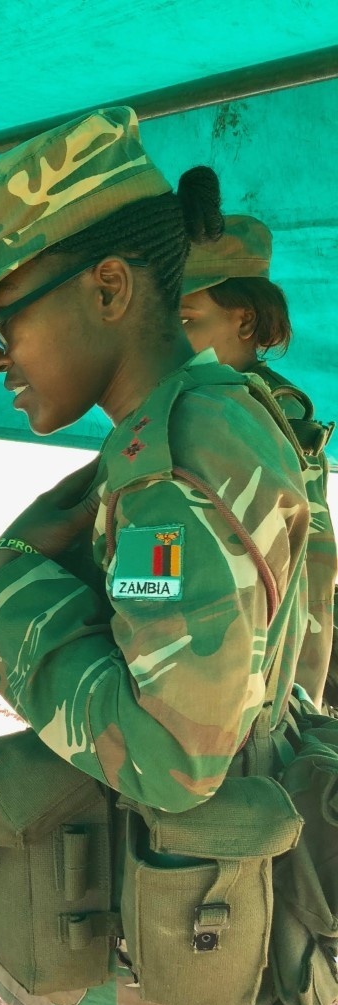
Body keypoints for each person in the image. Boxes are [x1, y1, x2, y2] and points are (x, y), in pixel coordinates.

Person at [0, 107, 315, 1005]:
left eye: (6, 322)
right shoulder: (208, 422)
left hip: (165, 961)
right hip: (193, 924)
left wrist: (11, 613)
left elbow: (167, 754)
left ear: (107, 288)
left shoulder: (169, 471)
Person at [180, 215, 336, 709]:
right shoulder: (196, 402)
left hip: (261, 686)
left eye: (186, 320)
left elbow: (311, 574)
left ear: (244, 321)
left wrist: (299, 699)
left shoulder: (269, 416)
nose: (169, 339)